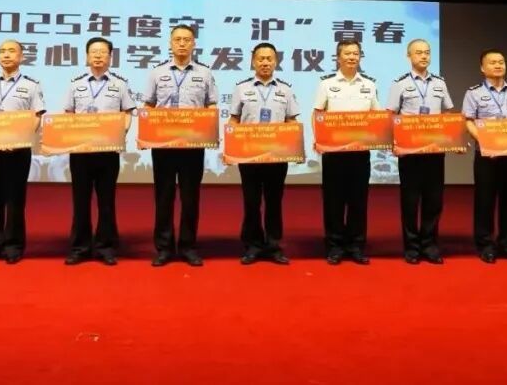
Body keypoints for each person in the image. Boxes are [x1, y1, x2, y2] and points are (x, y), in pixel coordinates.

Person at [144, 25, 218, 267]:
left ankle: (188, 246)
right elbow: (148, 106)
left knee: (190, 198)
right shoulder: (157, 73)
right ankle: (164, 248)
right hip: (163, 145)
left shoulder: (205, 73)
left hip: (193, 146)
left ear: (194, 44)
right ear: (170, 43)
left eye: (187, 39)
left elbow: (211, 106)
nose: (182, 43)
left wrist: (208, 132)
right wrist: (146, 134)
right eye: (178, 39)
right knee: (163, 197)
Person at [61, 37, 136, 266]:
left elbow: (127, 112)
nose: (98, 56)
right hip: (81, 152)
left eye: (103, 52)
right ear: (86, 56)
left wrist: (120, 133)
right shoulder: (75, 84)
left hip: (107, 151)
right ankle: (80, 247)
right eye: (93, 52)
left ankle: (106, 246)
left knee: (106, 200)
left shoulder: (120, 84)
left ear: (110, 57)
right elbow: (68, 113)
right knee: (80, 200)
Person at [0, 39, 45, 264]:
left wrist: (21, 138)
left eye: (11, 51)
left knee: (15, 199)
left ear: (21, 57)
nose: (6, 55)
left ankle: (13, 245)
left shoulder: (32, 85)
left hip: (18, 150)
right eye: (2, 51)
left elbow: (37, 115)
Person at [229, 43, 300, 265]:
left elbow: (291, 121)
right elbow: (234, 120)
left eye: (269, 59)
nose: (265, 63)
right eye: (261, 59)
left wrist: (294, 147)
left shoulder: (285, 90)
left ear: (276, 61)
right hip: (249, 156)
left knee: (274, 201)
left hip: (277, 157)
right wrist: (230, 149)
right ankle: (252, 245)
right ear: (253, 61)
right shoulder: (241, 89)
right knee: (251, 202)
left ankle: (273, 245)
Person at [387, 39, 454, 265]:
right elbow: (391, 116)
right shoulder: (400, 83)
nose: (424, 56)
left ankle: (430, 244)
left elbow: (447, 113)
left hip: (434, 150)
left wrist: (450, 138)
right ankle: (411, 247)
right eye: (418, 53)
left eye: (427, 52)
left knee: (434, 200)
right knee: (410, 200)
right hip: (410, 151)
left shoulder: (440, 83)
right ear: (409, 56)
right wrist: (394, 142)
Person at [313, 40, 380, 265]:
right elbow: (318, 114)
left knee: (358, 200)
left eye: (356, 53)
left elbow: (377, 115)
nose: (352, 57)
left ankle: (356, 245)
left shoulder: (369, 84)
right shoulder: (327, 84)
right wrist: (319, 139)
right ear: (338, 57)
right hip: (334, 153)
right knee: (333, 199)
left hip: (360, 152)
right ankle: (334, 245)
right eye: (347, 53)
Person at [462, 49, 507, 264]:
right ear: (482, 68)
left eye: (501, 61)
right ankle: (486, 245)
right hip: (486, 154)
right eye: (492, 62)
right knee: (485, 200)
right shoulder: (473, 93)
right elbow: (468, 121)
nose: (498, 65)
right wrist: (484, 139)